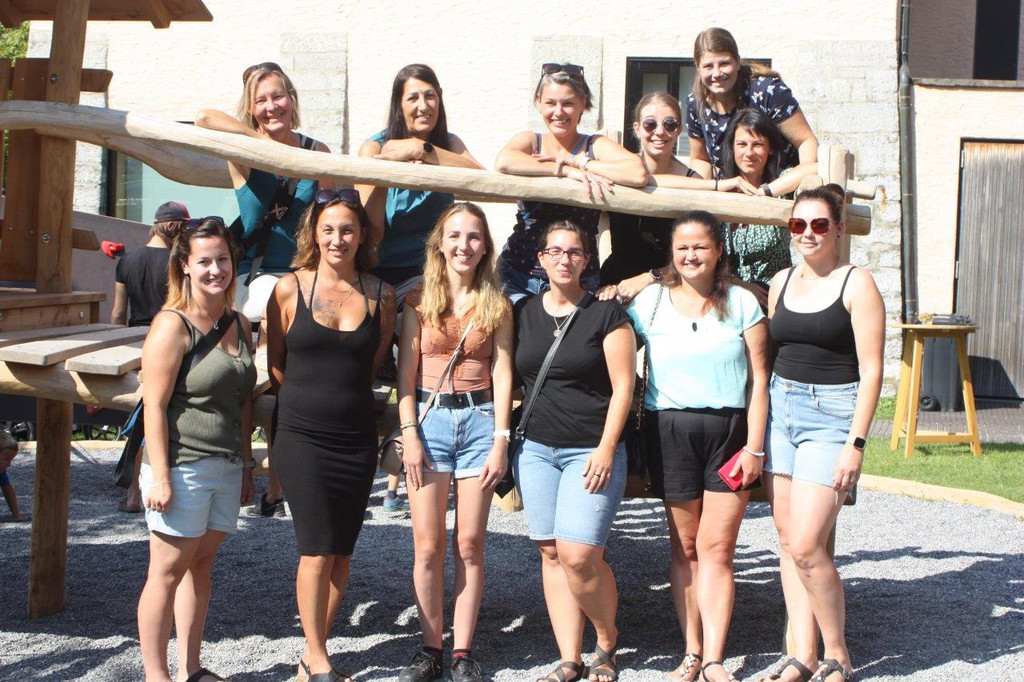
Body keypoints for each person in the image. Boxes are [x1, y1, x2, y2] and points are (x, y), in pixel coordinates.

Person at [626, 211, 769, 682]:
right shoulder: (650, 302)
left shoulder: (743, 303)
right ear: (671, 252)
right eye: (682, 247)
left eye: (701, 246)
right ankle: (691, 651)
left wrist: (754, 447)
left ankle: (715, 658)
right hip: (669, 431)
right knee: (686, 547)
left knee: (717, 548)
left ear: (718, 250)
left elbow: (760, 381)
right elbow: (614, 352)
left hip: (730, 434)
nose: (691, 255)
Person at [266, 189, 397, 681]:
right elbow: (276, 363)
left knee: (342, 550)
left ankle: (310, 658)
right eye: (328, 229)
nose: (337, 238)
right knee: (316, 548)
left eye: (347, 229)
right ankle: (319, 658)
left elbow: (374, 361)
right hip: (301, 435)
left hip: (356, 438)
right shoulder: (289, 288)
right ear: (314, 235)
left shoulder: (381, 295)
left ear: (362, 236)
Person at [196, 61, 331, 518]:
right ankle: (243, 469)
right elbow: (204, 117)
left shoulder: (316, 151)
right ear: (251, 108)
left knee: (282, 386)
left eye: (278, 95)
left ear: (292, 98)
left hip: (303, 278)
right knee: (245, 382)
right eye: (261, 100)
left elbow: (331, 215)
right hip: (252, 281)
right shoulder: (243, 149)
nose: (271, 106)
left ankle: (277, 482)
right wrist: (265, 148)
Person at [761, 186, 884, 682]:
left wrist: (856, 444)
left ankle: (838, 654)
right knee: (787, 539)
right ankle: (803, 654)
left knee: (808, 543)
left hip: (831, 415)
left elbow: (872, 372)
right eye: (798, 224)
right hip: (781, 412)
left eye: (818, 224)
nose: (807, 233)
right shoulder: (781, 281)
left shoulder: (857, 283)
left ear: (838, 229)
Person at [512, 221, 636, 682]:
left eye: (574, 252)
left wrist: (606, 448)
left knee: (580, 554)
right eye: (555, 251)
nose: (564, 259)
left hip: (590, 449)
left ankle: (606, 638)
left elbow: (624, 388)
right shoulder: (523, 312)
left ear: (586, 260)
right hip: (535, 449)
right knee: (550, 551)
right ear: (541, 259)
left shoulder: (606, 314)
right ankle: (569, 657)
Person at [395, 202, 513, 682]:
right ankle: (430, 649)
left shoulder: (498, 304)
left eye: (474, 237)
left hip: (480, 421)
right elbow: (405, 374)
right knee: (427, 546)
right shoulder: (417, 301)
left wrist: (501, 439)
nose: (464, 245)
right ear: (440, 245)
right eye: (455, 236)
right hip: (430, 423)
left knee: (469, 543)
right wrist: (409, 434)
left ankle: (463, 652)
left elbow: (502, 371)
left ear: (485, 247)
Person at [357, 63, 483, 512]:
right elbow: (369, 218)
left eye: (430, 95)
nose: (423, 105)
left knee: (431, 341)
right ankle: (382, 453)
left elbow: (478, 174)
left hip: (427, 273)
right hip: (377, 269)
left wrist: (425, 151)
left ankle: (416, 449)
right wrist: (391, 161)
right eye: (412, 97)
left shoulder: (447, 145)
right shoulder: (376, 144)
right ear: (399, 103)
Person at [136, 217, 257, 682]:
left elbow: (242, 401)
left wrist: (246, 463)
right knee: (166, 571)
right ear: (184, 265)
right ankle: (156, 675)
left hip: (225, 463)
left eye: (222, 259)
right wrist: (160, 476)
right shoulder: (172, 324)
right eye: (204, 261)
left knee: (200, 565)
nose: (215, 270)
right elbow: (154, 404)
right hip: (182, 464)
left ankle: (191, 669)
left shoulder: (239, 323)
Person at [495, 62, 647, 301]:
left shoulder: (594, 145)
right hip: (519, 274)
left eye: (567, 103)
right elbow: (504, 160)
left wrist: (580, 163)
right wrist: (564, 171)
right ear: (538, 102)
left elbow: (637, 172)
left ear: (582, 104)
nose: (559, 112)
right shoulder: (532, 141)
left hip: (578, 279)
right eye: (550, 103)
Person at [598, 91, 738, 298]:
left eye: (669, 124)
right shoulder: (619, 170)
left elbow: (700, 255)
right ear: (637, 128)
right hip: (616, 284)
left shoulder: (694, 181)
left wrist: (649, 278)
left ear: (679, 130)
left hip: (671, 285)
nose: (660, 131)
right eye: (650, 124)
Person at [112, 200, 189, 514]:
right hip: (170, 340)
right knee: (158, 415)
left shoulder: (127, 260)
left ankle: (134, 491)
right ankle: (139, 489)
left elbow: (118, 314)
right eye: (183, 228)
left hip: (134, 344)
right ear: (171, 226)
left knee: (143, 414)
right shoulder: (179, 262)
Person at [686, 27, 818, 184]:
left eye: (724, 63)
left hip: (782, 186)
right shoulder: (696, 103)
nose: (717, 73)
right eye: (708, 66)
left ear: (737, 62)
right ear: (698, 67)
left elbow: (805, 141)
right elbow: (700, 159)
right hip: (732, 189)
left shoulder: (768, 92)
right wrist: (708, 189)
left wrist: (803, 186)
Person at [718, 108, 810, 306]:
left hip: (775, 296)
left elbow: (814, 167)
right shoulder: (721, 186)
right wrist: (741, 285)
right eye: (742, 144)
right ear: (732, 147)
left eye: (758, 144)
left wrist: (766, 192)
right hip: (728, 295)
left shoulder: (782, 184)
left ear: (770, 148)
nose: (749, 152)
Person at [0, 431, 27, 522]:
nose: (9, 464)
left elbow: (8, 489)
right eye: (6, 459)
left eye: (11, 460)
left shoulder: (1, 473)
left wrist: (17, 515)